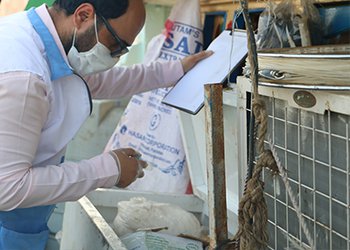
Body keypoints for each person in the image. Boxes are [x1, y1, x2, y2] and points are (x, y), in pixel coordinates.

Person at [0, 0, 212, 249]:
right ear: (84, 15)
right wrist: (109, 169)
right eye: (115, 45)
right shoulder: (24, 78)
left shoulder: (37, 37)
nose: (115, 57)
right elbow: (8, 188)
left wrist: (175, 70)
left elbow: (101, 81)